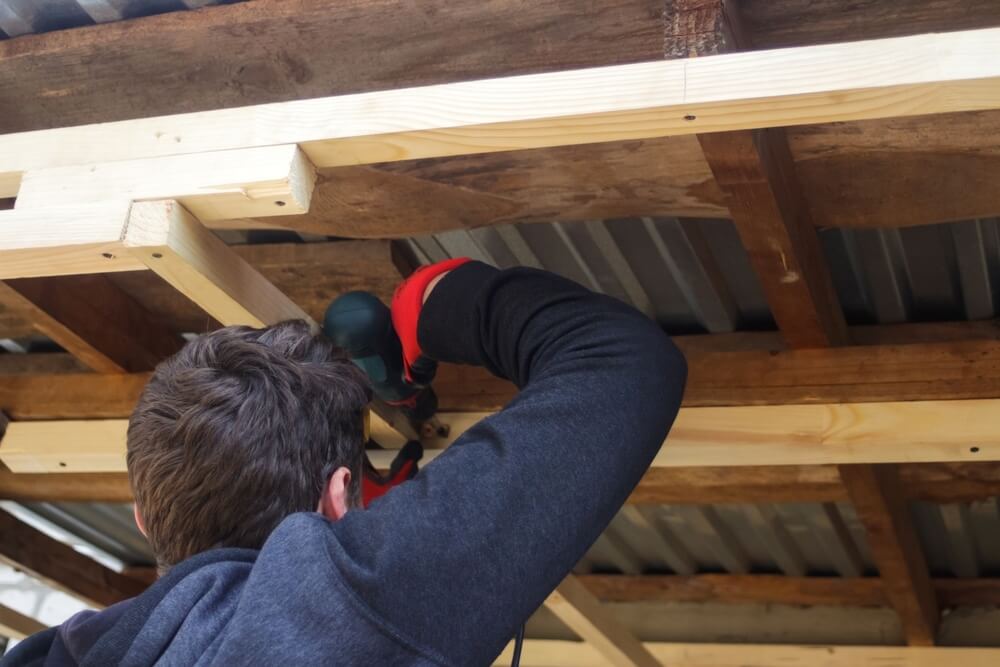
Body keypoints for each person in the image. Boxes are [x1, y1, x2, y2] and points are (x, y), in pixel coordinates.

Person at [4, 259, 686, 666]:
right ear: (339, 495)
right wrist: (437, 302)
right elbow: (622, 360)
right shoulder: (343, 611)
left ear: (145, 516)